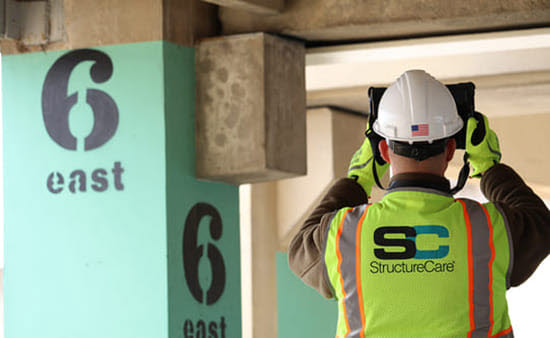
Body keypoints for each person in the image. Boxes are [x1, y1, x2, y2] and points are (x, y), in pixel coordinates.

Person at [288, 70, 550, 337]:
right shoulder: (488, 230)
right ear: (450, 150)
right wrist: (489, 167)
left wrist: (357, 180)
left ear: (383, 151)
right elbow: (541, 225)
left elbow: (299, 251)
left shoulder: (344, 234)